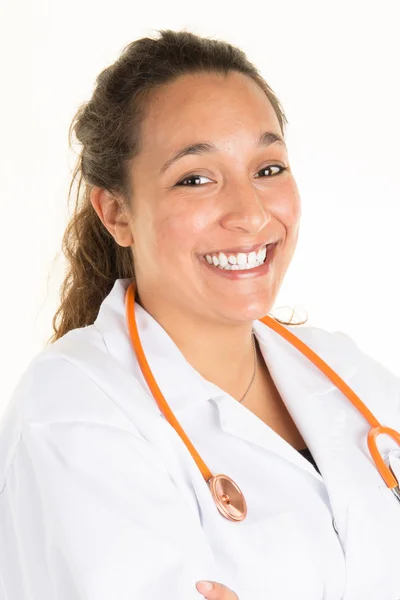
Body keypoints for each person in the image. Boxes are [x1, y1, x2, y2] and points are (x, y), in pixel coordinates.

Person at [0, 28, 400, 600]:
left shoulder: (350, 374)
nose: (251, 213)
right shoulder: (72, 411)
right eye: (196, 178)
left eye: (268, 169)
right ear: (116, 213)